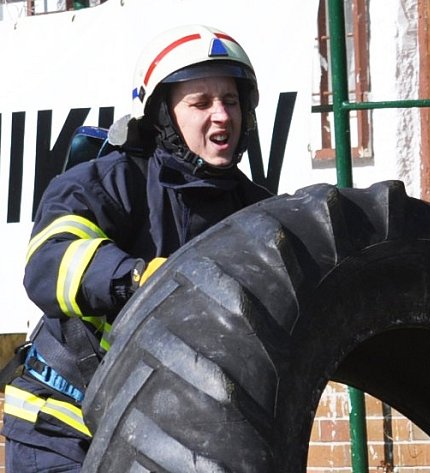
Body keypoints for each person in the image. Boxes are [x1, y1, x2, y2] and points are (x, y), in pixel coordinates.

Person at [1, 24, 272, 472]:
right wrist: (134, 279)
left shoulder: (257, 211)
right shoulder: (106, 182)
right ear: (162, 115)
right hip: (63, 427)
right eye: (201, 103)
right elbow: (49, 262)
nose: (222, 115)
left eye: (230, 100)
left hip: (164, 431)